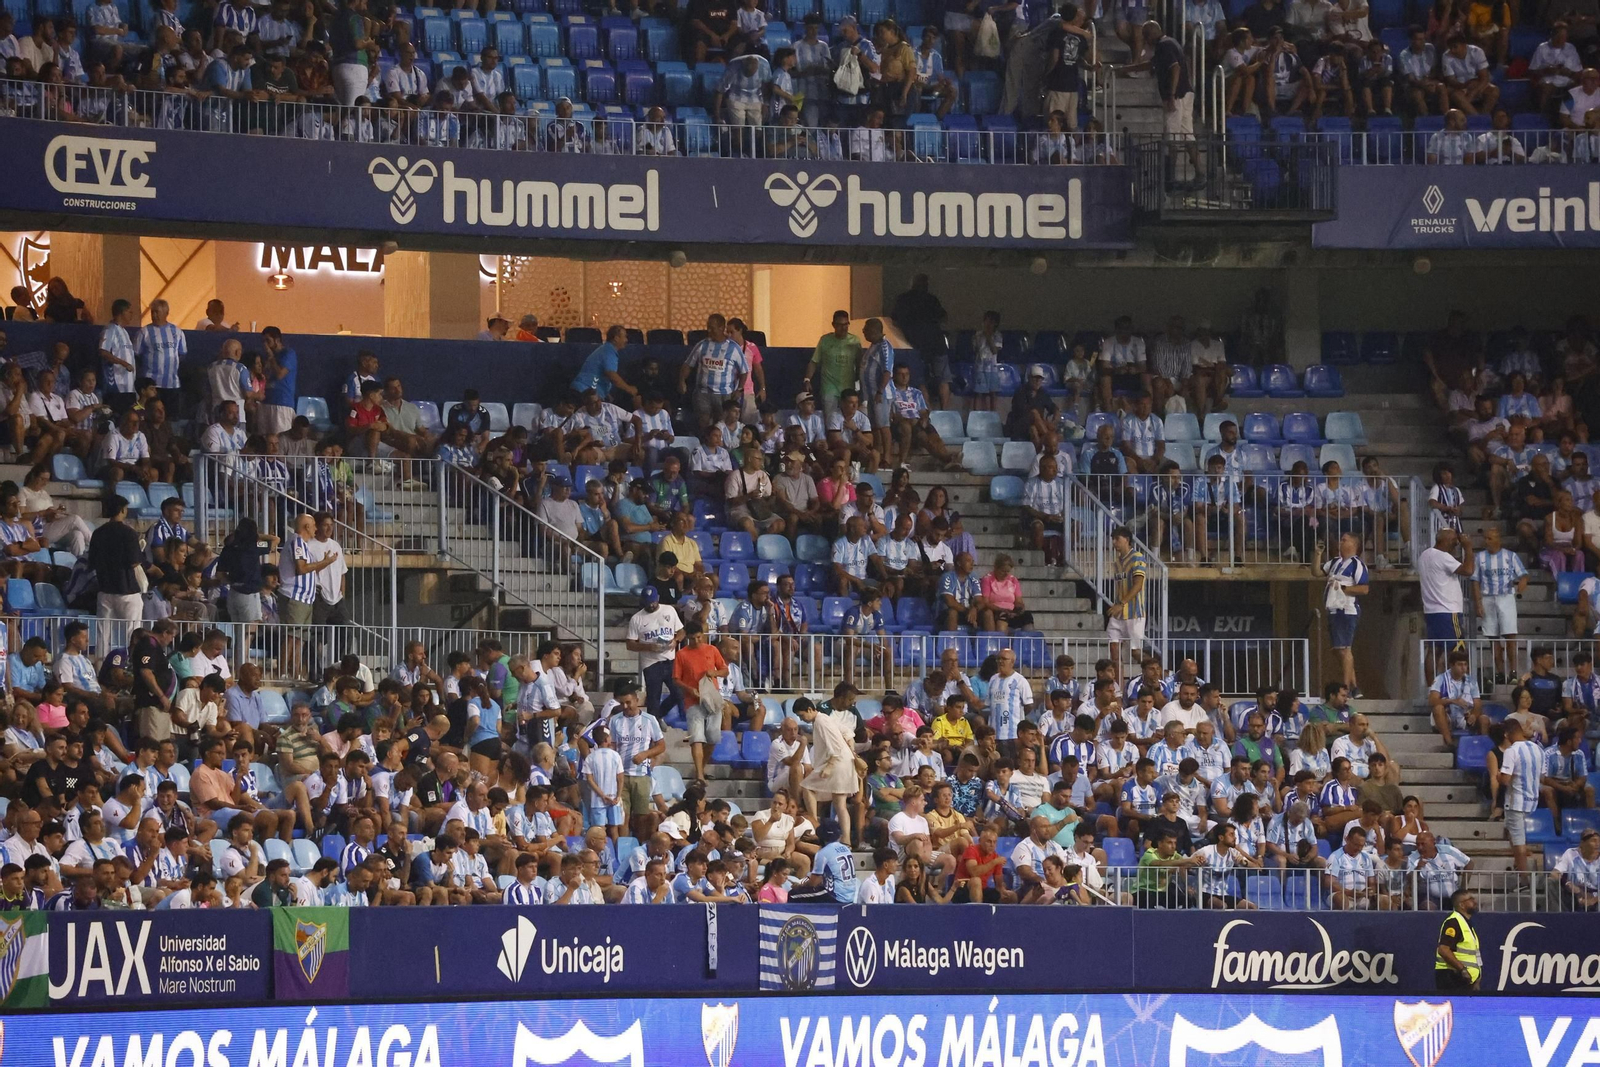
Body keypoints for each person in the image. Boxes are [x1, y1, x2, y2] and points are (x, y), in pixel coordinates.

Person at [1435, 888, 1481, 989]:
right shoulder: (1454, 922)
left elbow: (1474, 954)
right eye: (1470, 899)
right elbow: (1443, 949)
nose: (1475, 901)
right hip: (1453, 978)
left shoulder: (1466, 924)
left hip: (1466, 980)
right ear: (1462, 905)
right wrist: (1462, 970)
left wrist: (1477, 977)